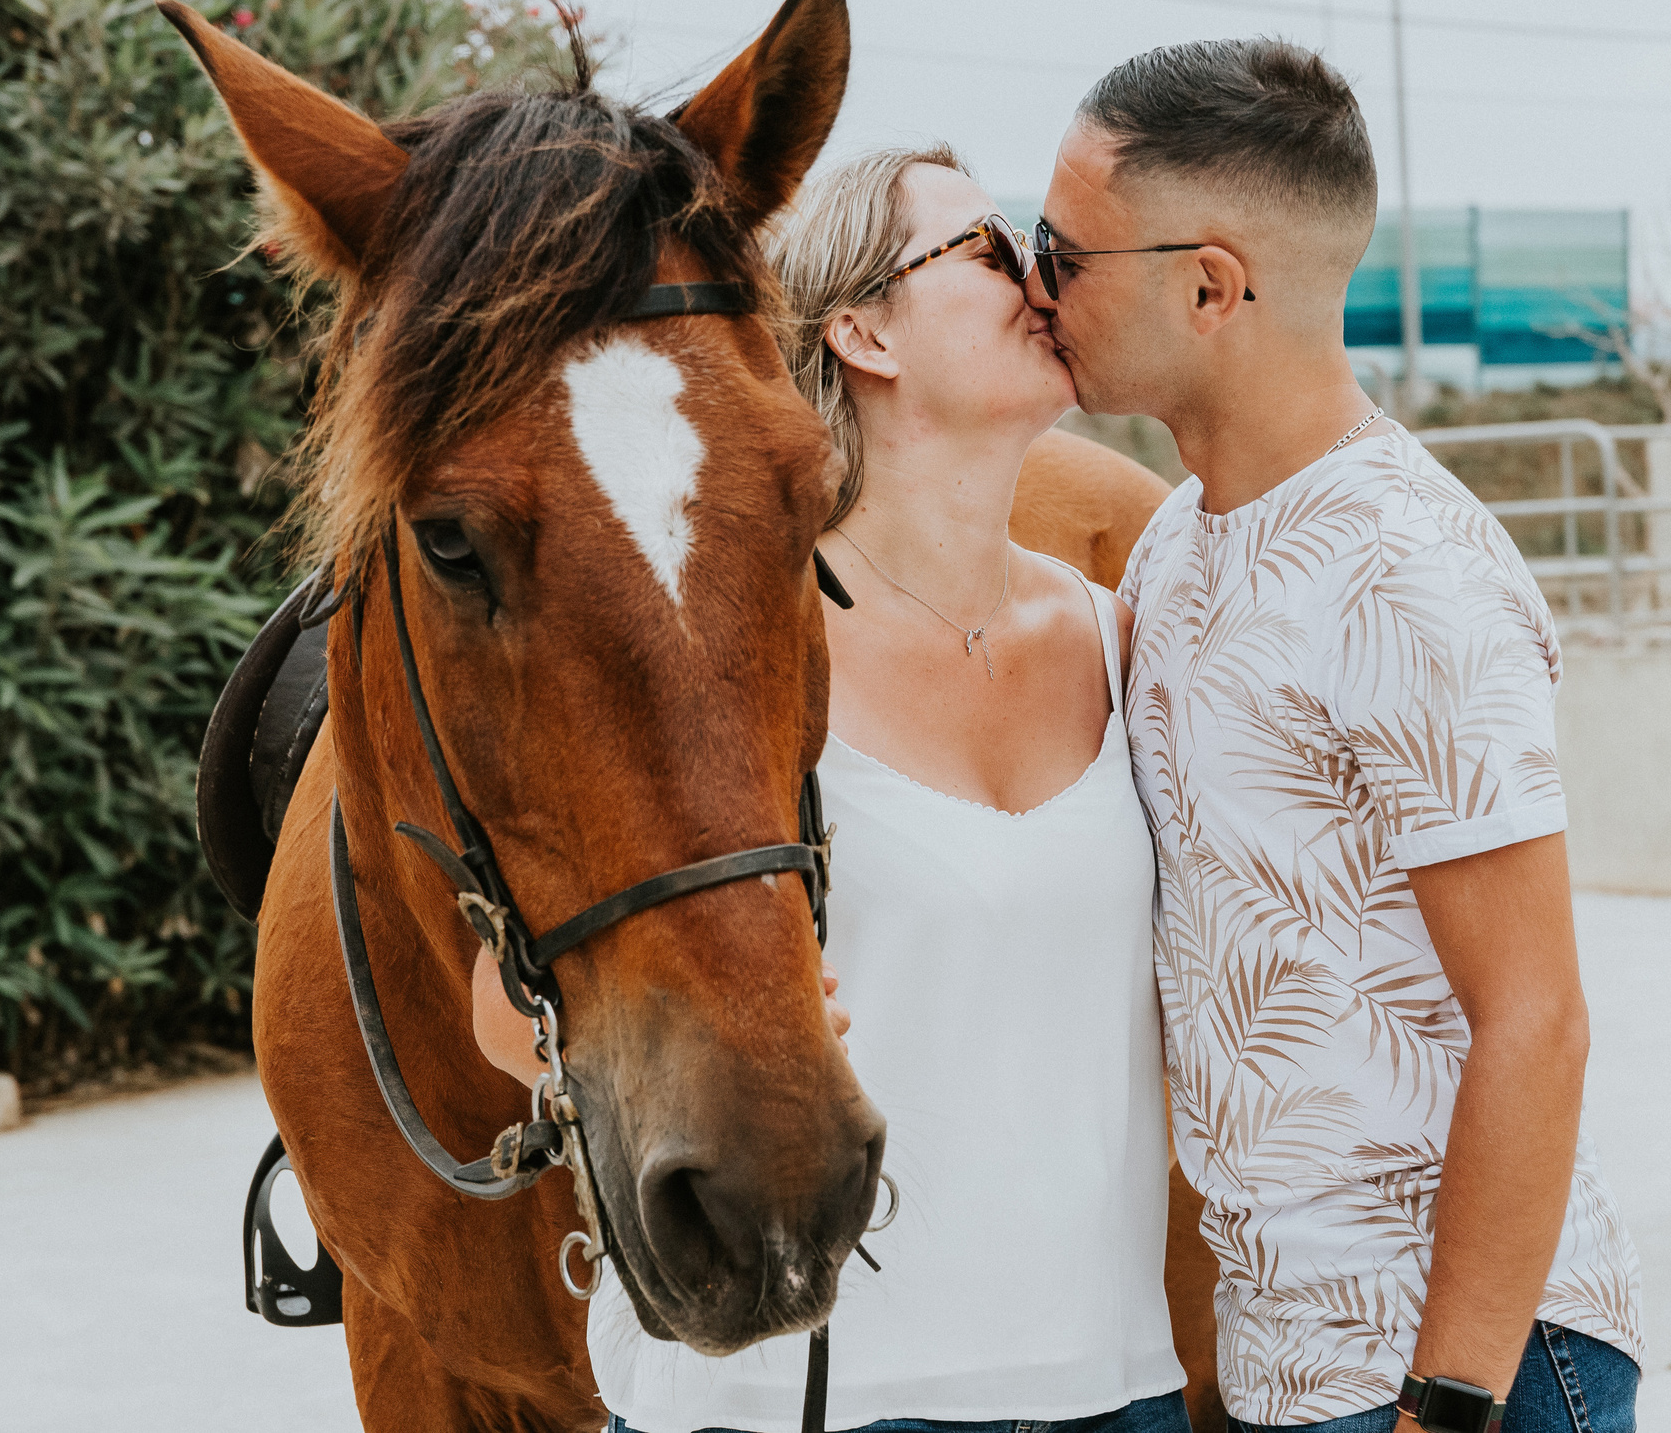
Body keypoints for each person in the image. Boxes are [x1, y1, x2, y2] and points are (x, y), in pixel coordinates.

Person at [473, 145, 1188, 1433]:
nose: (1041, 273)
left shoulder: (1129, 634)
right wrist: (684, 1024)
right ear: (861, 328)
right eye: (985, 247)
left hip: (1108, 1383)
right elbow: (503, 1000)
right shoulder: (730, 645)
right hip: (783, 1393)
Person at [1026, 42, 1645, 1433]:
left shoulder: (1410, 570)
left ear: (1210, 286)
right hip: (1281, 1362)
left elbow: (1535, 1019)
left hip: (1461, 1363)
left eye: (1062, 251)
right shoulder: (1177, 547)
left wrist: (1450, 1401)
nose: (1032, 282)